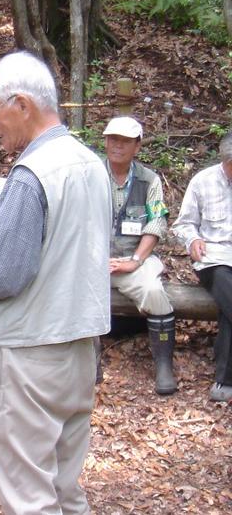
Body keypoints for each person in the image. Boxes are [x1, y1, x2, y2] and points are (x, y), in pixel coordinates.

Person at [0, 51, 110, 515]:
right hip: (80, 348)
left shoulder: (31, 175)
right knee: (65, 487)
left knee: (30, 498)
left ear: (21, 104)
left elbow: (0, 275)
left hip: (31, 355)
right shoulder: (91, 164)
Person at [102, 116, 177, 395]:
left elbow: (156, 222)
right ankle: (87, 362)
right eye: (112, 139)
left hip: (133, 259)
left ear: (137, 146)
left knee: (154, 291)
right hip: (94, 260)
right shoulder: (90, 175)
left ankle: (163, 366)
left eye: (124, 141)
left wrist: (135, 260)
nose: (117, 146)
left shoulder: (149, 180)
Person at [172, 131, 232, 402]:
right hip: (215, 259)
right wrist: (193, 239)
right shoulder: (203, 181)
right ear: (224, 161)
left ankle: (225, 381)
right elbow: (183, 224)